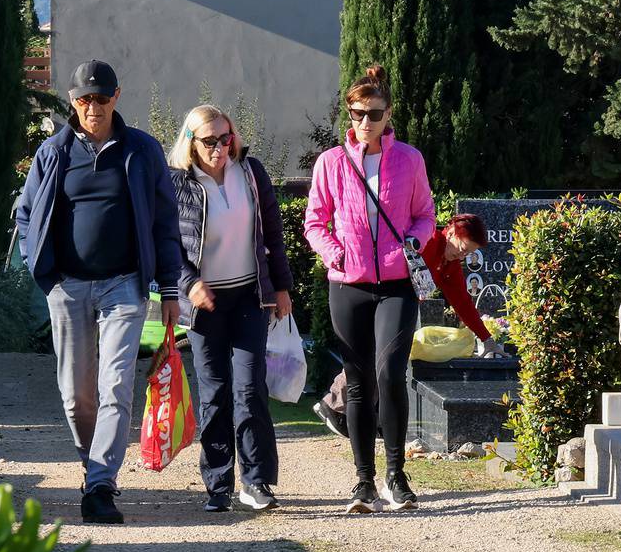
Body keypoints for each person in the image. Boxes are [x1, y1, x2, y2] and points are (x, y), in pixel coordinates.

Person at [14, 59, 181, 525]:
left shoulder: (142, 151)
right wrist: (40, 270)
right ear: (73, 101)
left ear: (116, 97)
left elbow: (165, 224)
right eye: (85, 99)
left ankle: (102, 483)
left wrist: (170, 288)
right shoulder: (54, 152)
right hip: (66, 287)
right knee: (75, 396)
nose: (93, 107)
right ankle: (93, 467)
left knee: (115, 387)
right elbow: (26, 215)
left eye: (101, 98)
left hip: (124, 286)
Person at [304, 64, 437, 514]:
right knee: (358, 382)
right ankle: (363, 483)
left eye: (374, 114)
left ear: (388, 114)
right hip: (349, 283)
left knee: (389, 373)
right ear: (350, 114)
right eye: (358, 114)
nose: (365, 123)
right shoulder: (331, 162)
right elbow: (314, 221)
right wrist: (333, 253)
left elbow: (424, 214)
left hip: (397, 283)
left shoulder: (410, 160)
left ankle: (396, 476)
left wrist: (412, 244)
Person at [170, 104, 294, 514]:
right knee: (215, 392)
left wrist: (281, 287)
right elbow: (168, 246)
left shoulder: (251, 173)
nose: (220, 148)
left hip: (248, 297)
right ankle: (217, 483)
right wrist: (189, 285)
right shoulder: (178, 184)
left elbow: (273, 233)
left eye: (226, 138)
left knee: (250, 388)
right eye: (210, 141)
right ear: (191, 142)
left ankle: (256, 481)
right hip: (205, 306)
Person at [310, 213, 506, 440]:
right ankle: (333, 406)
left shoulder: (449, 263)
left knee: (386, 361)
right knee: (374, 356)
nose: (463, 255)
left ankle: (372, 416)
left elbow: (462, 301)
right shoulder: (428, 241)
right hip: (386, 301)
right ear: (450, 231)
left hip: (403, 308)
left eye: (468, 253)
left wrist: (487, 339)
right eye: (462, 248)